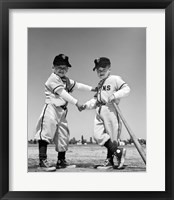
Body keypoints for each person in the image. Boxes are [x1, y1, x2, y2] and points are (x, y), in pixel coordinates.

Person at [34, 54, 96, 172]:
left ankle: (61, 161)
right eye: (59, 67)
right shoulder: (52, 79)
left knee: (63, 135)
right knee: (45, 133)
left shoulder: (65, 80)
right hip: (51, 108)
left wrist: (93, 89)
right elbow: (62, 93)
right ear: (53, 68)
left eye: (64, 68)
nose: (62, 70)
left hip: (62, 111)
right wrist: (77, 102)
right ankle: (42, 161)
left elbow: (78, 85)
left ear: (67, 69)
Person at [82, 57, 130, 169]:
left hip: (110, 109)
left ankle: (110, 160)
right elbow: (95, 100)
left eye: (103, 68)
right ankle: (118, 151)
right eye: (98, 70)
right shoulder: (100, 83)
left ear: (109, 69)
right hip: (99, 109)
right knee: (97, 135)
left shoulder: (114, 79)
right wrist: (86, 105)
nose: (100, 71)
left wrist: (115, 95)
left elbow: (126, 89)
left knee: (112, 137)